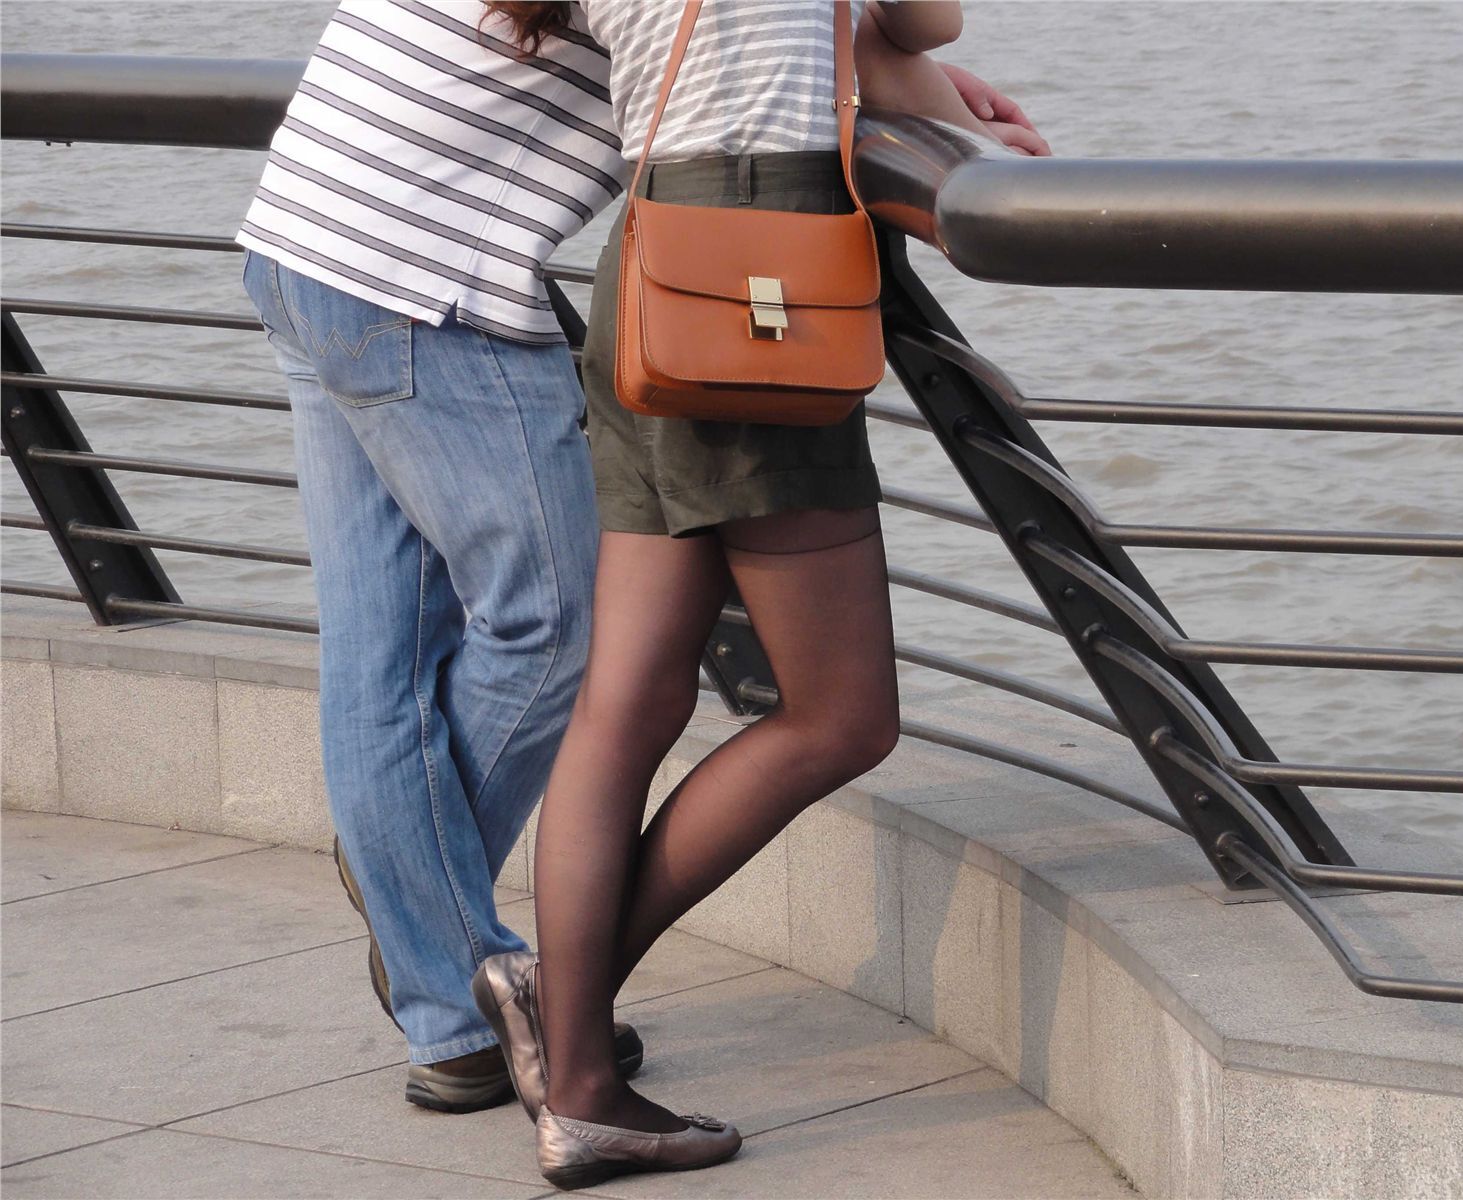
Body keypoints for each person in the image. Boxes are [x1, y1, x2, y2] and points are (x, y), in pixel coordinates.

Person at [236, 0, 1037, 1117]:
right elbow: (919, 24)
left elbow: (852, 43)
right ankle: (442, 931)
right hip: (428, 287)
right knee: (559, 626)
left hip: (303, 238)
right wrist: (906, 74)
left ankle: (453, 999)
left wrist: (882, 63)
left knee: (382, 662)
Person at [473, 1, 1042, 1189]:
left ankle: (568, 1046)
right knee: (840, 717)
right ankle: (569, 1046)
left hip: (651, 265)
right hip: (756, 271)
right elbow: (922, 22)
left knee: (622, 709)